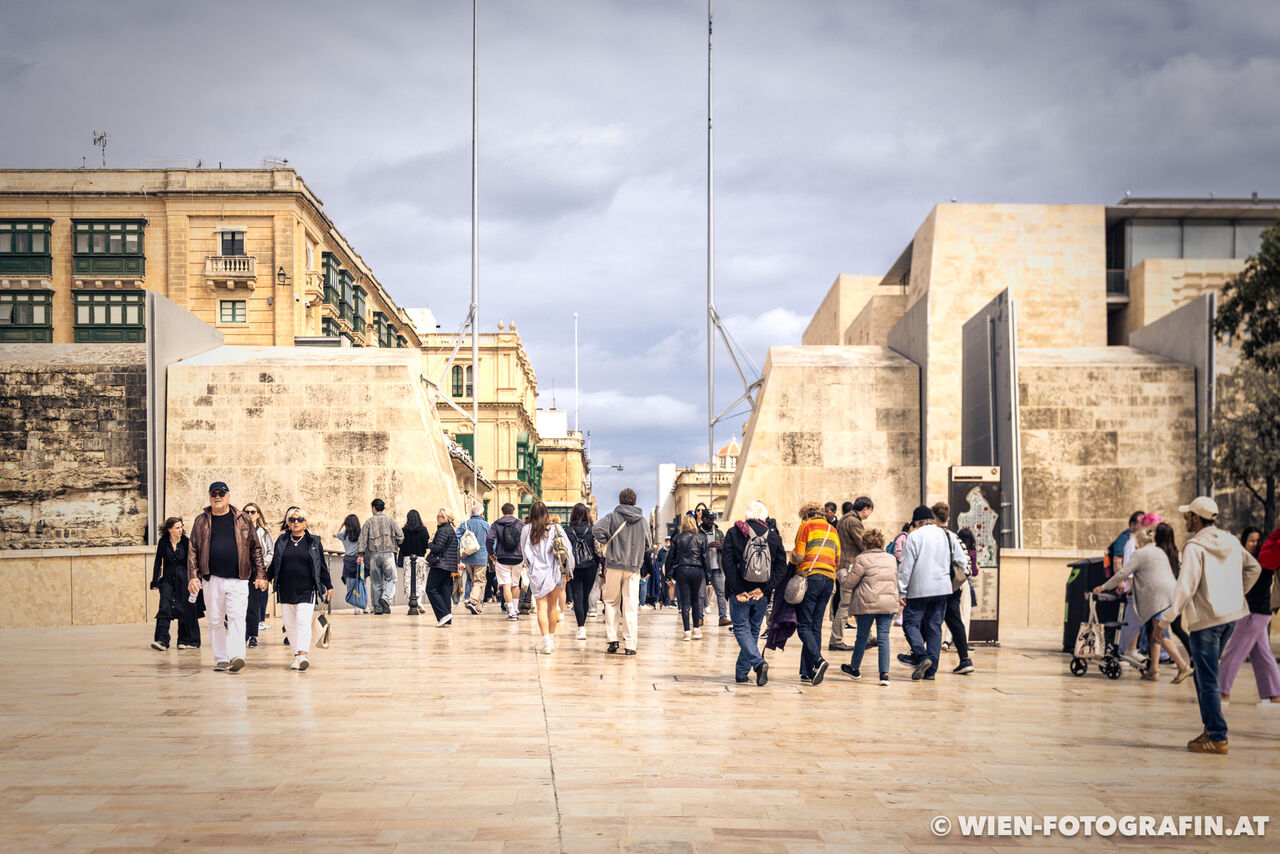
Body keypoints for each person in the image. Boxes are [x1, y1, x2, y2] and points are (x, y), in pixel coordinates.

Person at [1157, 496, 1262, 754]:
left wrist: (1166, 619)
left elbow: (1185, 587)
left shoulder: (1195, 547)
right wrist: (1236, 594)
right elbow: (1254, 568)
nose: (1186, 520)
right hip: (1229, 617)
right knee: (1205, 674)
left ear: (1196, 517)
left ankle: (1217, 735)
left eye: (1188, 516)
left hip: (1206, 622)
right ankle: (1210, 730)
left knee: (1207, 678)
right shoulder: (1230, 541)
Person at [1094, 513, 1193, 684]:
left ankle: (1183, 666)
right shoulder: (1159, 551)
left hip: (1158, 600)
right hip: (1170, 595)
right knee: (1153, 633)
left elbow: (1123, 574)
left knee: (1159, 634)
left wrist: (1103, 587)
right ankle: (1153, 670)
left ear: (1138, 542)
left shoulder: (1139, 554)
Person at [186, 481, 265, 673]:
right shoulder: (201, 520)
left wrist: (261, 574)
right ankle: (221, 658)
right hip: (212, 579)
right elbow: (193, 550)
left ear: (228, 496)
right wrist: (193, 576)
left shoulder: (243, 519)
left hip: (238, 579)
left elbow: (255, 548)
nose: (217, 497)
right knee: (215, 620)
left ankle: (236, 655)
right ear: (209, 497)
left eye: (221, 493)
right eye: (214, 494)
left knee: (237, 617)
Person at [897, 505, 965, 681]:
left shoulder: (914, 537)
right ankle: (931, 670)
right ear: (931, 520)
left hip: (919, 589)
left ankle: (921, 656)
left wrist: (901, 591)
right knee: (934, 627)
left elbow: (906, 567)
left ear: (917, 522)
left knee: (911, 623)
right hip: (943, 589)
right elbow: (962, 561)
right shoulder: (948, 535)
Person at [722, 500, 787, 685]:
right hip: (760, 593)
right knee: (753, 630)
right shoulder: (773, 537)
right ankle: (742, 673)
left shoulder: (734, 532)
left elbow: (727, 563)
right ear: (764, 516)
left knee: (741, 629)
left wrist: (738, 589)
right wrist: (765, 589)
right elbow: (781, 567)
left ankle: (758, 664)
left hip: (740, 593)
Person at [1218, 526, 1279, 707]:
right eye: (1251, 540)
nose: (1254, 544)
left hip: (1254, 613)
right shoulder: (1241, 558)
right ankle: (1274, 695)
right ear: (1244, 541)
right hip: (1257, 614)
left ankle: (1221, 693)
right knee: (1262, 654)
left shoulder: (1263, 560)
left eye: (1257, 541)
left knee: (1234, 652)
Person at [267, 507, 333, 671]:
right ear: (288, 523)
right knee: (290, 625)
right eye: (292, 520)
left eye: (299, 520)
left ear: (305, 523)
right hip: (285, 589)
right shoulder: (282, 541)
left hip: (307, 589)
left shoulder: (314, 541)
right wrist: (264, 579)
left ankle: (303, 654)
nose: (296, 522)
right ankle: (297, 655)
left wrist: (329, 586)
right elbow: (275, 564)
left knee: (303, 622)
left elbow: (321, 566)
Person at [593, 488, 652, 655]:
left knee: (611, 602)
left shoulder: (612, 517)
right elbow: (648, 545)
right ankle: (630, 645)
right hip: (633, 568)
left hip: (614, 565)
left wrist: (608, 542)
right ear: (635, 501)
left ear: (620, 501)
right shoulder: (643, 521)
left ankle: (612, 639)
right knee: (630, 605)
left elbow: (596, 529)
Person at [839, 528, 898, 686]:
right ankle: (884, 675)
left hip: (867, 602)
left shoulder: (861, 559)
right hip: (887, 603)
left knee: (862, 637)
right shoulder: (891, 559)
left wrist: (842, 573)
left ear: (865, 544)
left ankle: (855, 668)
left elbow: (849, 583)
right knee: (884, 638)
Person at [791, 502, 840, 685]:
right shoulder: (832, 530)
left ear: (805, 515)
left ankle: (818, 660)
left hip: (811, 578)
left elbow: (799, 556)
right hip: (828, 579)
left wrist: (792, 558)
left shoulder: (806, 526)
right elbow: (837, 559)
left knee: (804, 625)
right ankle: (808, 671)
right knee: (816, 626)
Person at [521, 500, 574, 654]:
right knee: (552, 608)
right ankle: (551, 639)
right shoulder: (556, 528)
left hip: (537, 574)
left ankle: (546, 642)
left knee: (541, 609)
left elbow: (524, 552)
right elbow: (568, 549)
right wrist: (569, 570)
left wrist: (530, 565)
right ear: (546, 513)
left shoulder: (526, 529)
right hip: (555, 572)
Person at [933, 502, 975, 675]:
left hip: (934, 585)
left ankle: (923, 657)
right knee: (955, 621)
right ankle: (965, 659)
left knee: (929, 621)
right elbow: (965, 563)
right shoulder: (954, 537)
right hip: (952, 586)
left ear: (933, 518)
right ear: (948, 518)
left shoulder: (931, 537)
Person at [150, 516, 200, 651]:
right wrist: (155, 581)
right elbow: (158, 562)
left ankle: (186, 640)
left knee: (184, 608)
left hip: (184, 579)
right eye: (177, 528)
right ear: (169, 529)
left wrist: (195, 578)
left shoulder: (186, 541)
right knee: (164, 607)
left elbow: (193, 562)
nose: (180, 530)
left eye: (181, 527)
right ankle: (162, 640)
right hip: (167, 579)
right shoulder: (163, 542)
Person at [830, 496, 872, 652]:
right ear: (865, 509)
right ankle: (836, 639)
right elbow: (864, 543)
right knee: (846, 604)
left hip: (844, 566)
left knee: (857, 602)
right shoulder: (853, 521)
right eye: (870, 511)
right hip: (849, 567)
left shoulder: (844, 519)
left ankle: (868, 636)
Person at [665, 514, 709, 640]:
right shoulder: (701, 538)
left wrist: (668, 574)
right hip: (697, 570)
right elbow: (705, 558)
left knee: (685, 602)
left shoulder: (677, 538)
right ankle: (696, 629)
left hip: (682, 570)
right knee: (695, 600)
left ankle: (687, 632)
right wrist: (708, 576)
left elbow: (670, 557)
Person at [357, 498, 403, 615]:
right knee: (391, 578)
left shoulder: (369, 522)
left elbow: (362, 539)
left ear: (374, 508)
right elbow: (400, 536)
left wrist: (361, 554)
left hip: (374, 555)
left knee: (376, 582)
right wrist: (395, 543)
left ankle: (378, 608)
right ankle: (386, 598)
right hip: (388, 554)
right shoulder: (391, 521)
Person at [564, 503, 599, 640]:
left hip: (574, 567)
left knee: (577, 596)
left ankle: (581, 628)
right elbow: (597, 551)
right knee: (585, 596)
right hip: (590, 567)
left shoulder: (567, 530)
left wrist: (565, 568)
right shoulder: (593, 530)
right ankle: (582, 626)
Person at [241, 502, 274, 649]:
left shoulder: (264, 532)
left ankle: (253, 635)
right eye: (246, 512)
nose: (249, 514)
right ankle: (243, 634)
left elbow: (271, 552)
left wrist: (262, 566)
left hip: (257, 572)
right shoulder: (238, 530)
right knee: (241, 605)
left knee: (254, 605)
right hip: (241, 572)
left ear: (258, 514)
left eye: (252, 512)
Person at [487, 503, 525, 621]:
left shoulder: (496, 523)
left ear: (502, 512)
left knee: (506, 585)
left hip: (502, 557)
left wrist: (491, 553)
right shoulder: (520, 524)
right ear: (513, 511)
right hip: (518, 557)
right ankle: (516, 609)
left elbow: (489, 538)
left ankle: (511, 612)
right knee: (515, 584)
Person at [695, 504, 730, 628]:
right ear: (702, 518)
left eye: (712, 519)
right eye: (708, 519)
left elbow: (727, 547)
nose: (710, 521)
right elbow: (694, 548)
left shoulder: (719, 532)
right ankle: (699, 618)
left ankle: (723, 618)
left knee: (721, 593)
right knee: (700, 594)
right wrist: (706, 546)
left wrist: (721, 545)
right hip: (702, 568)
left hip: (717, 567)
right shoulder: (697, 532)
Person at [425, 508, 460, 627]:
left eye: (439, 516)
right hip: (449, 565)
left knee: (431, 589)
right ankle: (447, 618)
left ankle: (444, 614)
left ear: (445, 518)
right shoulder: (450, 530)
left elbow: (437, 548)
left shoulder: (443, 530)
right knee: (444, 591)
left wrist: (430, 543)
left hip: (440, 564)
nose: (437, 517)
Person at [457, 502, 491, 615]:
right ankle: (472, 601)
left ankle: (477, 606)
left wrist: (461, 551)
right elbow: (491, 541)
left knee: (474, 581)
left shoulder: (465, 524)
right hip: (481, 557)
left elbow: (456, 537)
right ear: (481, 514)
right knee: (479, 581)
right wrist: (492, 554)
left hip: (467, 558)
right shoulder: (486, 525)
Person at [398, 510, 431, 612]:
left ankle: (412, 600)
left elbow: (400, 544)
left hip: (407, 559)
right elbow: (427, 545)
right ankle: (419, 600)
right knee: (420, 579)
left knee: (408, 579)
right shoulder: (423, 530)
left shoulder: (404, 530)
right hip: (420, 558)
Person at [335, 514, 363, 613]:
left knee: (351, 584)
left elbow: (335, 534)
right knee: (361, 582)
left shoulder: (343, 534)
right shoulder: (361, 533)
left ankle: (356, 606)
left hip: (348, 560)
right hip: (360, 560)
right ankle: (362, 604)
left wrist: (342, 524)